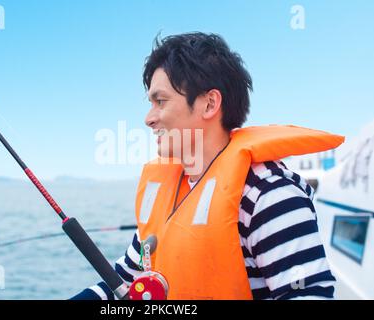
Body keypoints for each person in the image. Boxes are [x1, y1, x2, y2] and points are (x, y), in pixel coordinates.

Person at [71, 32, 343, 300]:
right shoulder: (162, 195)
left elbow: (311, 293)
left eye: (160, 101)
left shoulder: (267, 194)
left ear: (210, 104)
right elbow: (126, 277)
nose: (149, 118)